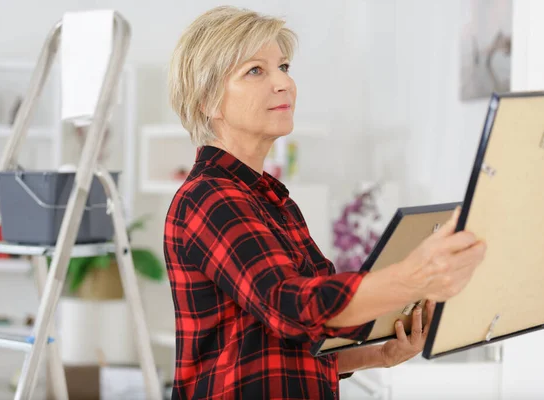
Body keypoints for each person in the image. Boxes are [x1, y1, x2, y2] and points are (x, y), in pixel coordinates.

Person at [164, 6, 487, 400]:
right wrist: (411, 277)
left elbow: (282, 345)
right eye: (255, 70)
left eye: (284, 66)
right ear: (206, 100)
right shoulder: (209, 197)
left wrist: (379, 354)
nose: (284, 82)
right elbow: (290, 306)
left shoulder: (271, 201)